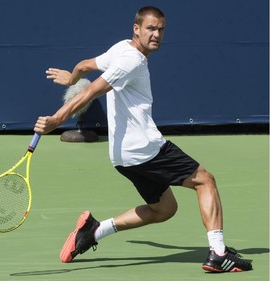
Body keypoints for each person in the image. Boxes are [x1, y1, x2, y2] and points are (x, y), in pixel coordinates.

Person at [34, 6, 252, 273]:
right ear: (136, 29)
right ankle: (218, 253)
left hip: (122, 157)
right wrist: (57, 119)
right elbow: (93, 90)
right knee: (205, 180)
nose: (156, 34)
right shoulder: (132, 60)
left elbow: (83, 66)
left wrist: (71, 78)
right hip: (146, 149)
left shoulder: (120, 48)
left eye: (161, 29)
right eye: (150, 28)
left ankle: (94, 231)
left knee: (164, 209)